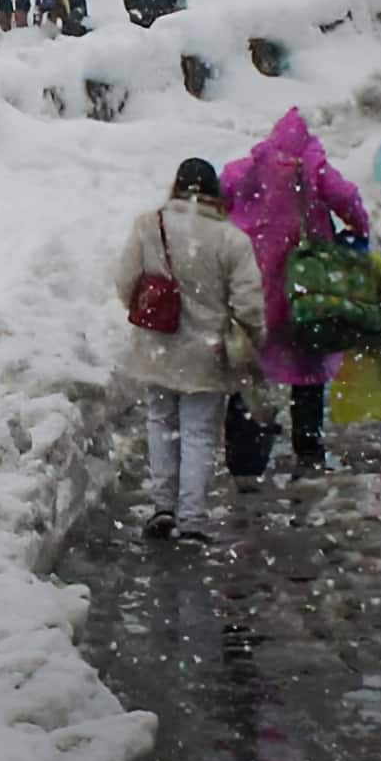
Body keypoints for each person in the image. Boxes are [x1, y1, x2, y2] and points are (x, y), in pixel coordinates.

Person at [115, 159, 267, 542]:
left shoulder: (149, 226)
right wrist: (248, 337)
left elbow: (124, 283)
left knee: (161, 424)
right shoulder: (231, 239)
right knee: (199, 433)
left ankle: (163, 507)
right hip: (207, 352)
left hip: (157, 348)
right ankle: (193, 519)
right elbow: (249, 304)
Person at [221, 108, 370, 475]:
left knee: (253, 362)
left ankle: (245, 446)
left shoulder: (251, 168)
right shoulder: (314, 169)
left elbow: (223, 186)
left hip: (261, 278)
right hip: (305, 281)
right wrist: (359, 228)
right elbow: (347, 198)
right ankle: (308, 446)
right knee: (309, 365)